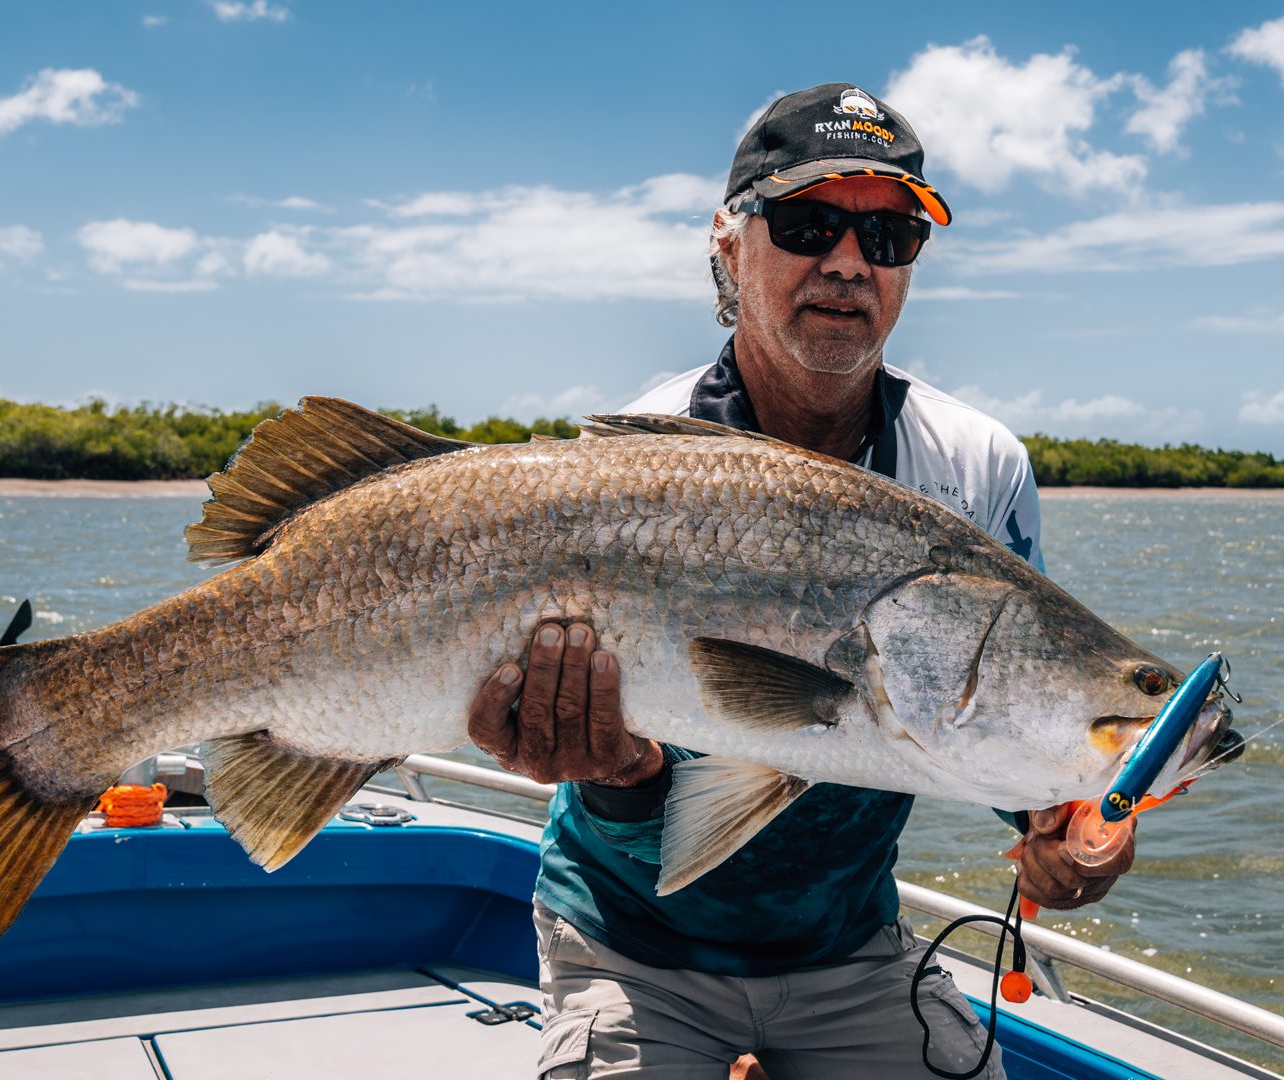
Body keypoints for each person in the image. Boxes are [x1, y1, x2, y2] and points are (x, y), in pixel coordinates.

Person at [469, 83, 1135, 1079]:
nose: (848, 262)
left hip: (849, 950)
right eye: (809, 221)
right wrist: (614, 773)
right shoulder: (636, 458)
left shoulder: (979, 468)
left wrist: (1070, 826)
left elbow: (989, 716)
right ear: (730, 246)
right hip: (631, 943)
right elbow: (641, 792)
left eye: (890, 236)